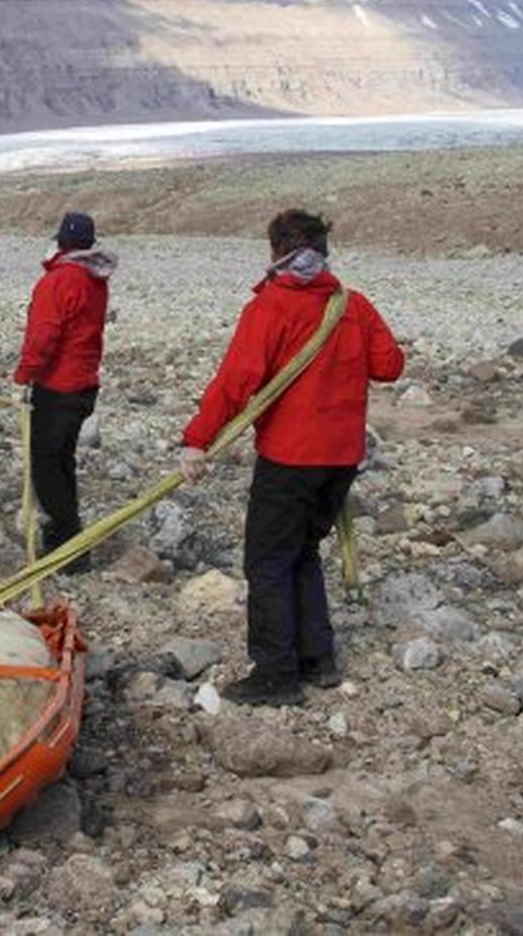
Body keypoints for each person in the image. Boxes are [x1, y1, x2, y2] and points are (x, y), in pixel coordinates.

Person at [180, 209, 404, 707]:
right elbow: (390, 366)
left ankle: (275, 673)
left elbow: (236, 383)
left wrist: (197, 440)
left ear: (276, 252)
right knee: (302, 550)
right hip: (342, 458)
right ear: (323, 252)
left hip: (291, 456)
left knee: (268, 560)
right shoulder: (352, 305)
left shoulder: (271, 308)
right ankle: (317, 658)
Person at [12, 212, 116, 573]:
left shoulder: (59, 282)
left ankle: (65, 547)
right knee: (62, 462)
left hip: (58, 386)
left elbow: (43, 336)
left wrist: (23, 377)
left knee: (47, 466)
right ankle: (69, 538)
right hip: (84, 384)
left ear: (60, 243)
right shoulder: (94, 278)